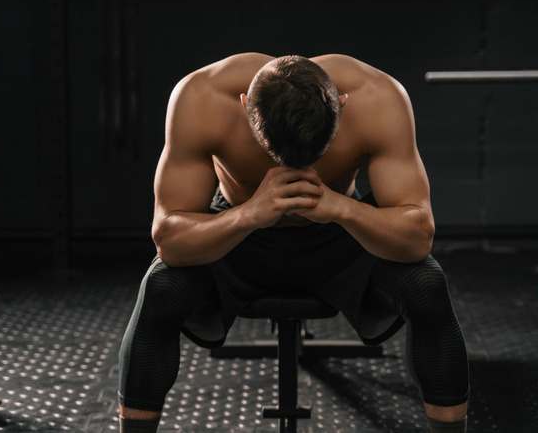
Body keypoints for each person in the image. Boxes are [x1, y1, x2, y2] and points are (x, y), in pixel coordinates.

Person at [117, 53, 470, 433]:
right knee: (160, 289)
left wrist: (341, 209)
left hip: (341, 237)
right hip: (237, 238)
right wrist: (250, 213)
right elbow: (167, 238)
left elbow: (419, 237)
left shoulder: (377, 96)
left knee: (427, 286)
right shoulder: (201, 96)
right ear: (243, 106)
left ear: (343, 105)